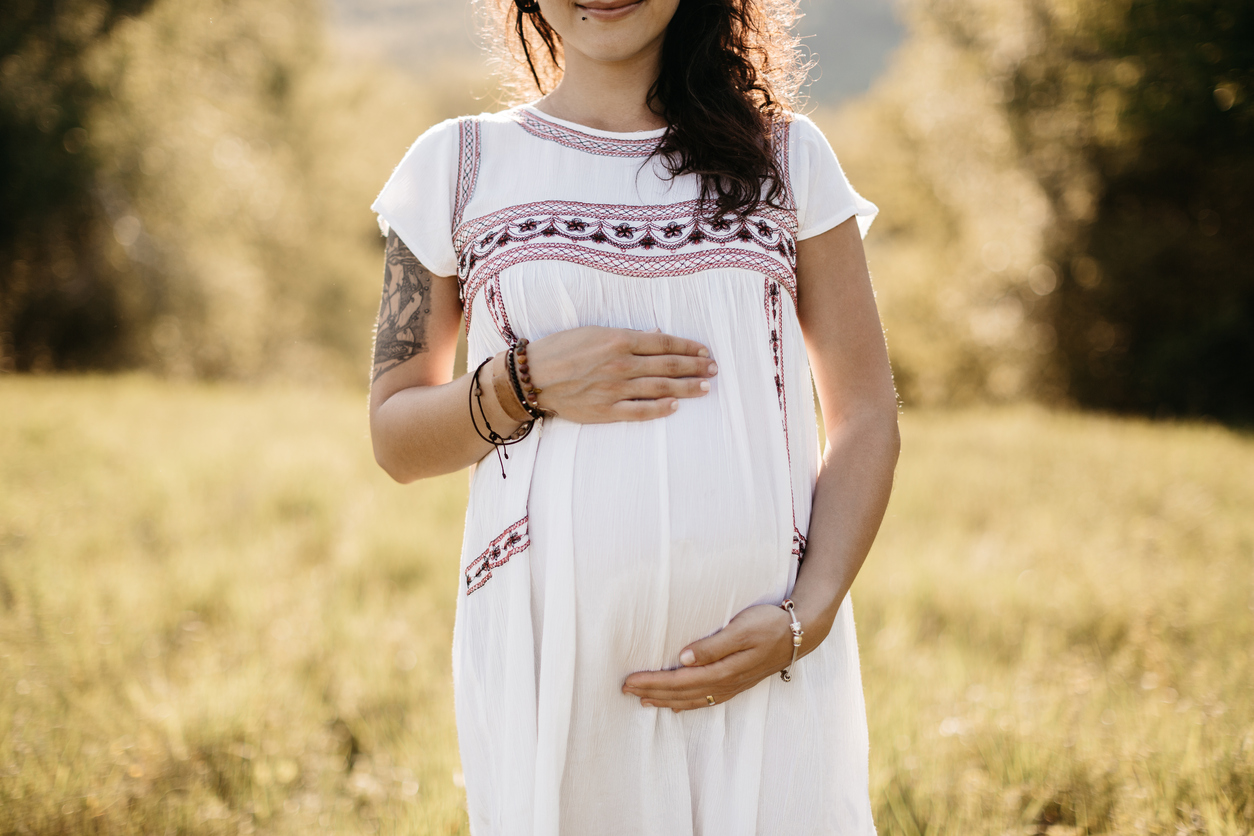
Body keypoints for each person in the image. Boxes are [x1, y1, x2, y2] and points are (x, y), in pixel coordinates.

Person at [367, 0, 899, 833]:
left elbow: (865, 410)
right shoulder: (459, 165)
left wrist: (809, 615)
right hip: (558, 667)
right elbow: (396, 438)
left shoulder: (787, 158)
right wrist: (525, 380)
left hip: (769, 652)